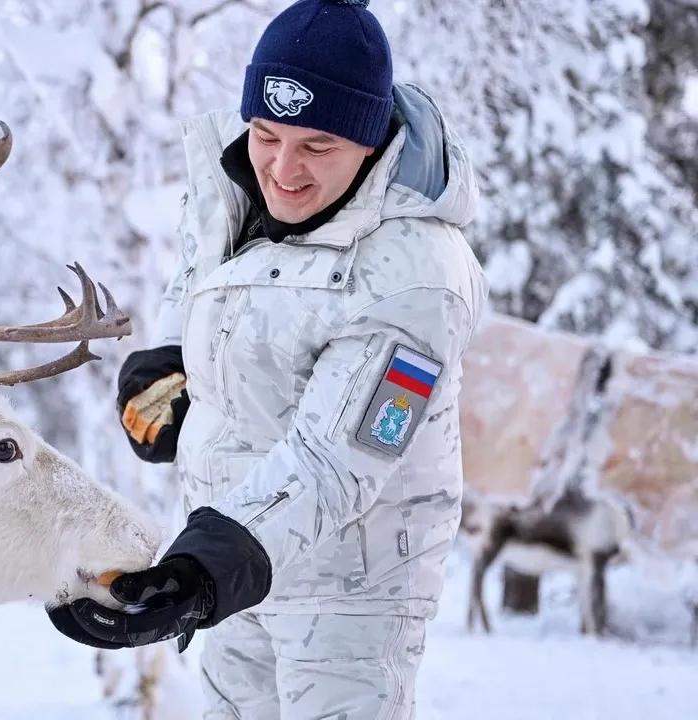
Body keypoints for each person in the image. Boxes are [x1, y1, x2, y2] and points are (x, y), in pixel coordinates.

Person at [45, 0, 490, 717]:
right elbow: (200, 279)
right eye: (268, 133)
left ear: (370, 140)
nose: (283, 169)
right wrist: (167, 362)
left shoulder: (418, 276)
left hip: (348, 595)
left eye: (318, 146)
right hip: (235, 562)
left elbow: (339, 460)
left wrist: (199, 572)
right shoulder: (238, 188)